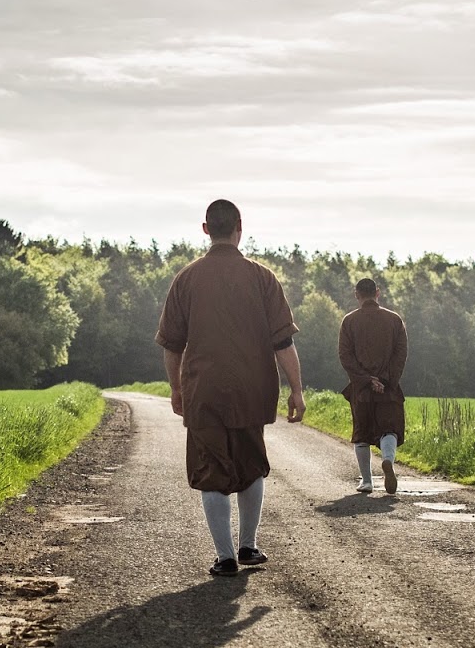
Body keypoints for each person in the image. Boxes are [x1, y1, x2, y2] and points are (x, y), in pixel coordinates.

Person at [156, 199, 307, 577]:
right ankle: (248, 546)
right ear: (240, 225)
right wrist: (296, 389)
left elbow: (171, 344)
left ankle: (224, 557)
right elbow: (283, 343)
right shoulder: (262, 277)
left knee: (212, 469)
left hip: (203, 390)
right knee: (250, 465)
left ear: (206, 229)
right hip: (252, 387)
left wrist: (176, 389)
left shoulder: (186, 278)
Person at [338, 277, 407, 494]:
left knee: (362, 432)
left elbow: (345, 356)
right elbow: (400, 354)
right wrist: (387, 381)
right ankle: (387, 459)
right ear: (377, 292)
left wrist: (366, 380)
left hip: (362, 389)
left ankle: (367, 481)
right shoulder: (394, 320)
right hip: (388, 387)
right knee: (389, 428)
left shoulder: (349, 321)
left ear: (357, 294)